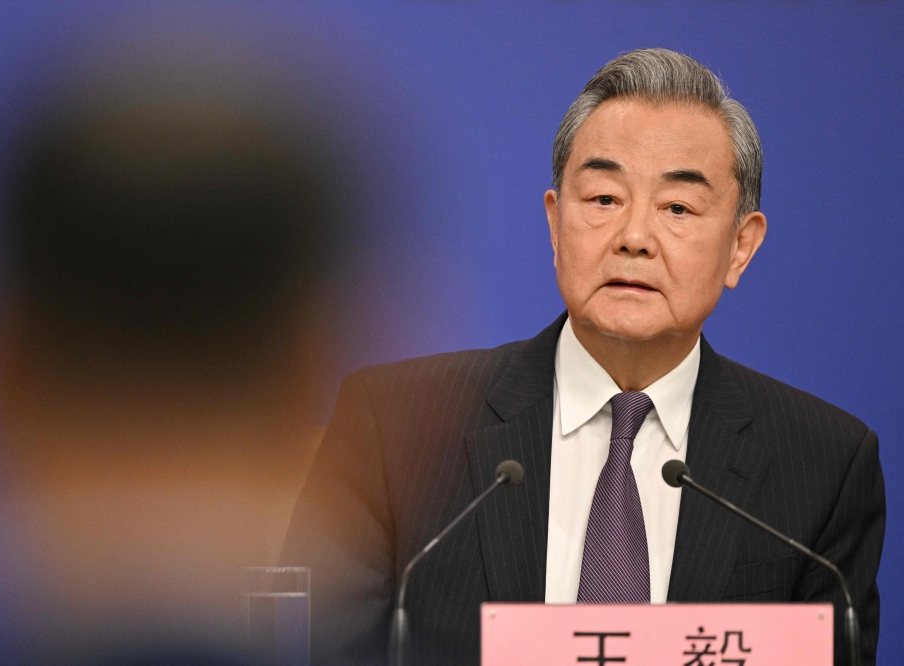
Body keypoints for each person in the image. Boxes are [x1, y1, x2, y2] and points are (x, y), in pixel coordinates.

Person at [280, 48, 885, 666]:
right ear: (554, 221)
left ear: (740, 246)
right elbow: (311, 649)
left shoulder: (824, 466)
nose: (633, 237)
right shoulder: (398, 425)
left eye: (677, 208)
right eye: (602, 199)